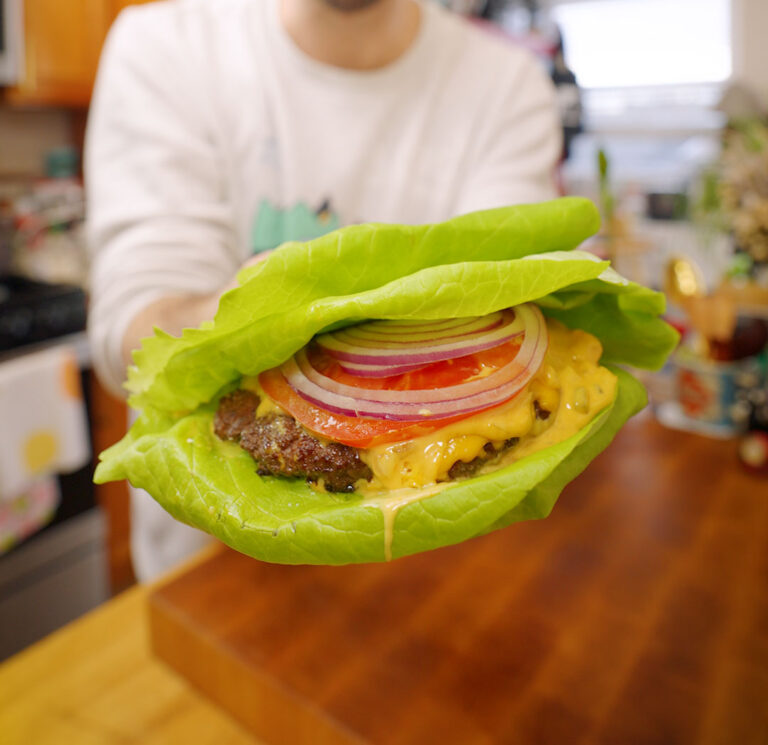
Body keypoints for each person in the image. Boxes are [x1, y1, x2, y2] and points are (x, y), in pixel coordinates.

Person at [86, 0, 561, 580]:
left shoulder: (508, 82)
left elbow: (512, 315)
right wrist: (261, 306)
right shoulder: (167, 46)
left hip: (441, 564)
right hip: (211, 569)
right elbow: (135, 337)